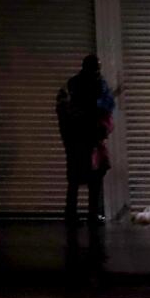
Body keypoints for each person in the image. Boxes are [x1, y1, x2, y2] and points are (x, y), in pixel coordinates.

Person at [57, 53, 116, 226]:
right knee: (79, 177)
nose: (97, 72)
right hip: (79, 138)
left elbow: (108, 105)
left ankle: (86, 214)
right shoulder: (76, 84)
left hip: (90, 137)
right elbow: (63, 109)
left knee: (93, 176)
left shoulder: (97, 84)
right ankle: (77, 214)